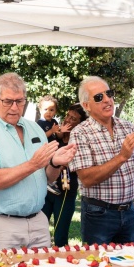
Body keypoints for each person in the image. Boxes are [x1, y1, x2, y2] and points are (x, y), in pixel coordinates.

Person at [0, 73, 76, 251]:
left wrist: (56, 163)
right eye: (8, 101)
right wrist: (32, 164)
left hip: (38, 221)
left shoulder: (35, 129)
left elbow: (47, 178)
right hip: (1, 225)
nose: (15, 107)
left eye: (20, 101)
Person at [69, 76, 134, 245]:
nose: (108, 100)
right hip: (98, 214)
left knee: (128, 266)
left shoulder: (127, 126)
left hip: (128, 211)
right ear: (86, 105)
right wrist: (122, 157)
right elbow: (87, 179)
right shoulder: (80, 133)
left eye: (109, 93)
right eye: (99, 97)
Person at [41, 103, 87, 247]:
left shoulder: (80, 141)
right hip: (45, 190)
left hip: (65, 192)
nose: (67, 120)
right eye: (67, 115)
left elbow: (83, 165)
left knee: (60, 236)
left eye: (73, 119)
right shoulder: (55, 136)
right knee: (39, 231)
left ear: (80, 124)